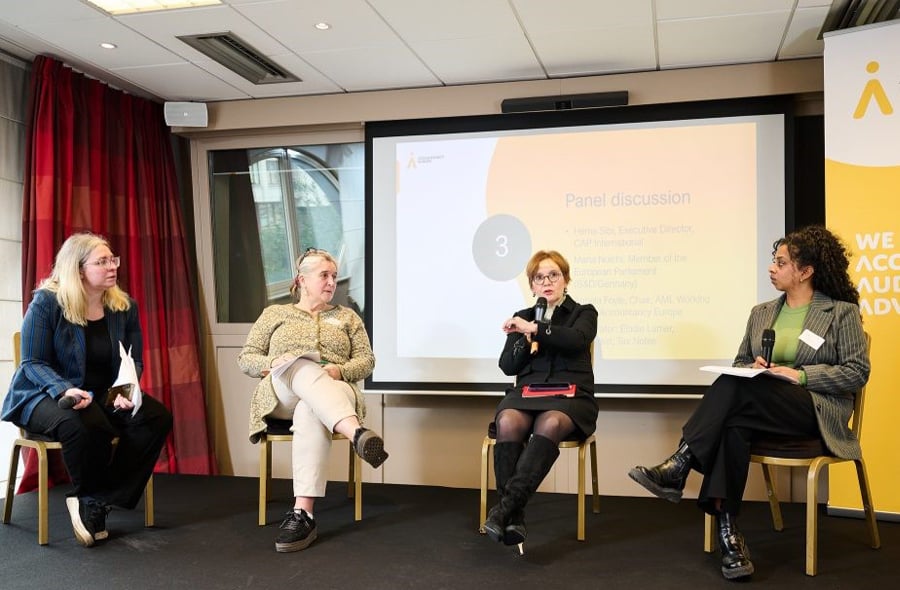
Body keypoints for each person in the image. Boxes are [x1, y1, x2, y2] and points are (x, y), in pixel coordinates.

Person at [628, 225, 870, 580]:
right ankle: (730, 537)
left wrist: (798, 375)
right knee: (732, 422)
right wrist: (755, 368)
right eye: (773, 261)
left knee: (733, 393)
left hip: (811, 410)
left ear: (805, 271)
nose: (772, 268)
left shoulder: (840, 313)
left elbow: (856, 372)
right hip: (760, 407)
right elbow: (741, 362)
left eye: (781, 262)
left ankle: (682, 461)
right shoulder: (761, 313)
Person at [2, 232, 173, 548]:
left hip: (100, 393)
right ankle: (90, 497)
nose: (112, 267)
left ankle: (97, 499)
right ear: (78, 269)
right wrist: (66, 390)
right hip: (43, 393)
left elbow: (132, 359)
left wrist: (124, 389)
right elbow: (32, 363)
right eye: (102, 261)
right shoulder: (47, 303)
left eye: (113, 260)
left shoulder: (124, 307)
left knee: (155, 416)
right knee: (82, 421)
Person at [238, 248, 386, 553]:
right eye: (324, 275)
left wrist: (339, 369)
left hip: (335, 389)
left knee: (310, 408)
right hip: (282, 393)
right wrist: (275, 362)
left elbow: (367, 361)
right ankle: (356, 433)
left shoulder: (347, 317)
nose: (332, 282)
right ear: (301, 280)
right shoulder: (275, 314)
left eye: (334, 275)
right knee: (300, 366)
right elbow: (246, 358)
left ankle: (303, 514)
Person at [482, 250, 598, 546]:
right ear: (532, 286)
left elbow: (576, 341)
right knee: (507, 418)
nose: (546, 282)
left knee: (551, 423)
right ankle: (514, 518)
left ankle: (504, 509)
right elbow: (508, 366)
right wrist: (523, 338)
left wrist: (537, 329)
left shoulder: (583, 313)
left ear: (565, 280)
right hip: (528, 394)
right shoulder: (522, 317)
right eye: (539, 277)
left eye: (553, 275)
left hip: (570, 396)